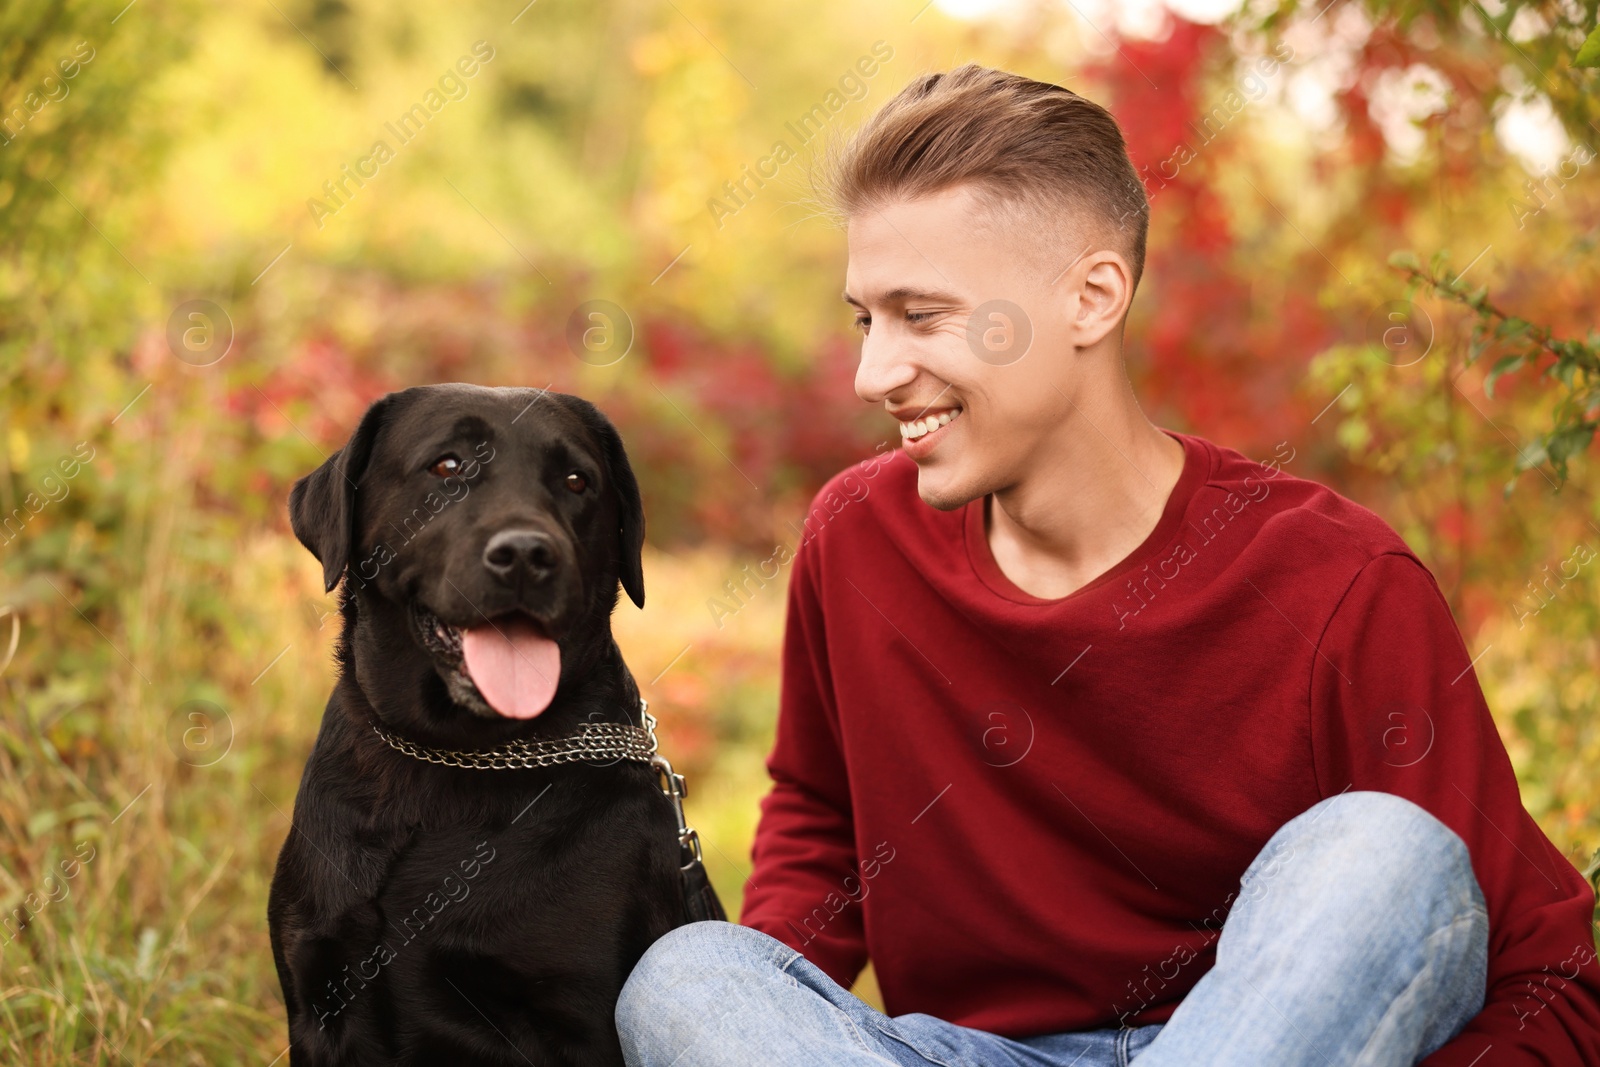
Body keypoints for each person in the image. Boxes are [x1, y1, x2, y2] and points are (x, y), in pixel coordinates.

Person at [614, 64, 1600, 1066]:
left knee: (1382, 851)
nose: (874, 373)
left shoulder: (1337, 582)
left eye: (923, 315)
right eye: (866, 319)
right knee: (689, 975)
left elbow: (1548, 982)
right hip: (959, 1052)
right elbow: (821, 820)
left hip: (1259, 1041)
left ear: (1092, 298)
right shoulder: (857, 538)